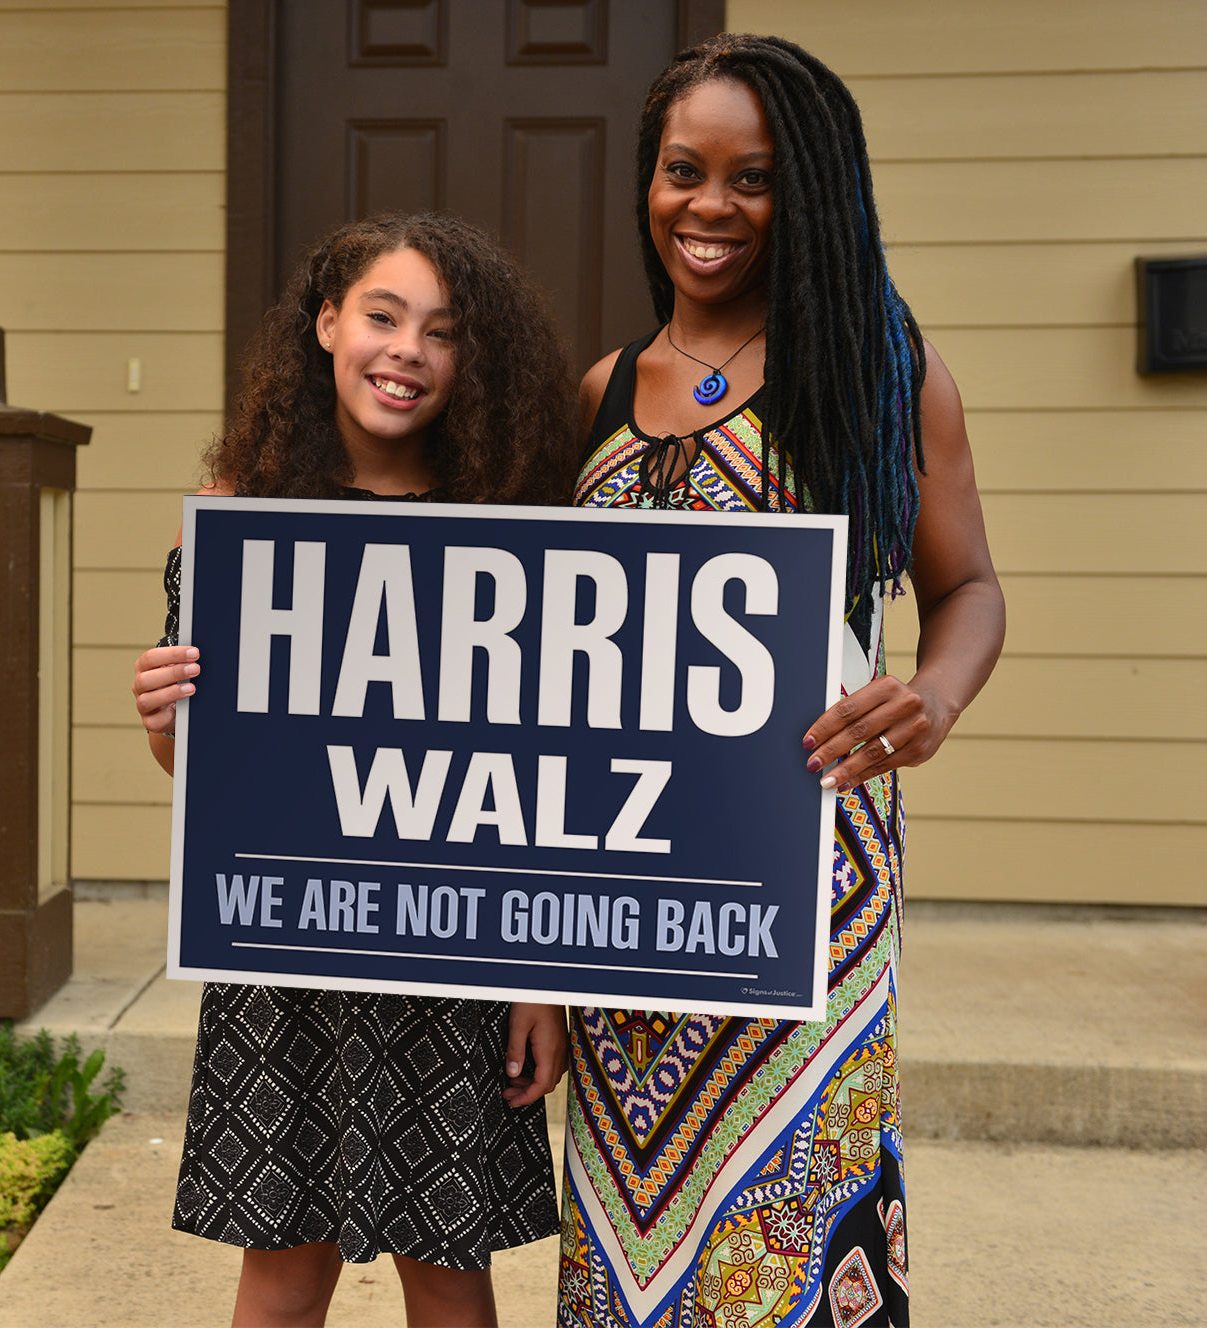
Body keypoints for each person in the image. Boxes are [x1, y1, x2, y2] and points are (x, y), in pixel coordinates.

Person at [558, 34, 1004, 1327]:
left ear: (807, 193)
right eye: (682, 170)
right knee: (628, 1236)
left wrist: (936, 695)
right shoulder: (595, 397)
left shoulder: (876, 377)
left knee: (792, 1221)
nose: (709, 206)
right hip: (625, 894)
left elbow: (969, 589)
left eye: (752, 179)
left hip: (807, 888)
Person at [132, 213, 578, 1328]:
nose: (407, 350)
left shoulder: (509, 533)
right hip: (286, 955)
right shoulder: (240, 522)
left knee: (448, 1274)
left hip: (457, 949)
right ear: (327, 323)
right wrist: (161, 718)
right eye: (382, 315)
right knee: (282, 1271)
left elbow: (540, 777)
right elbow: (216, 774)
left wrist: (539, 979)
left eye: (442, 330)